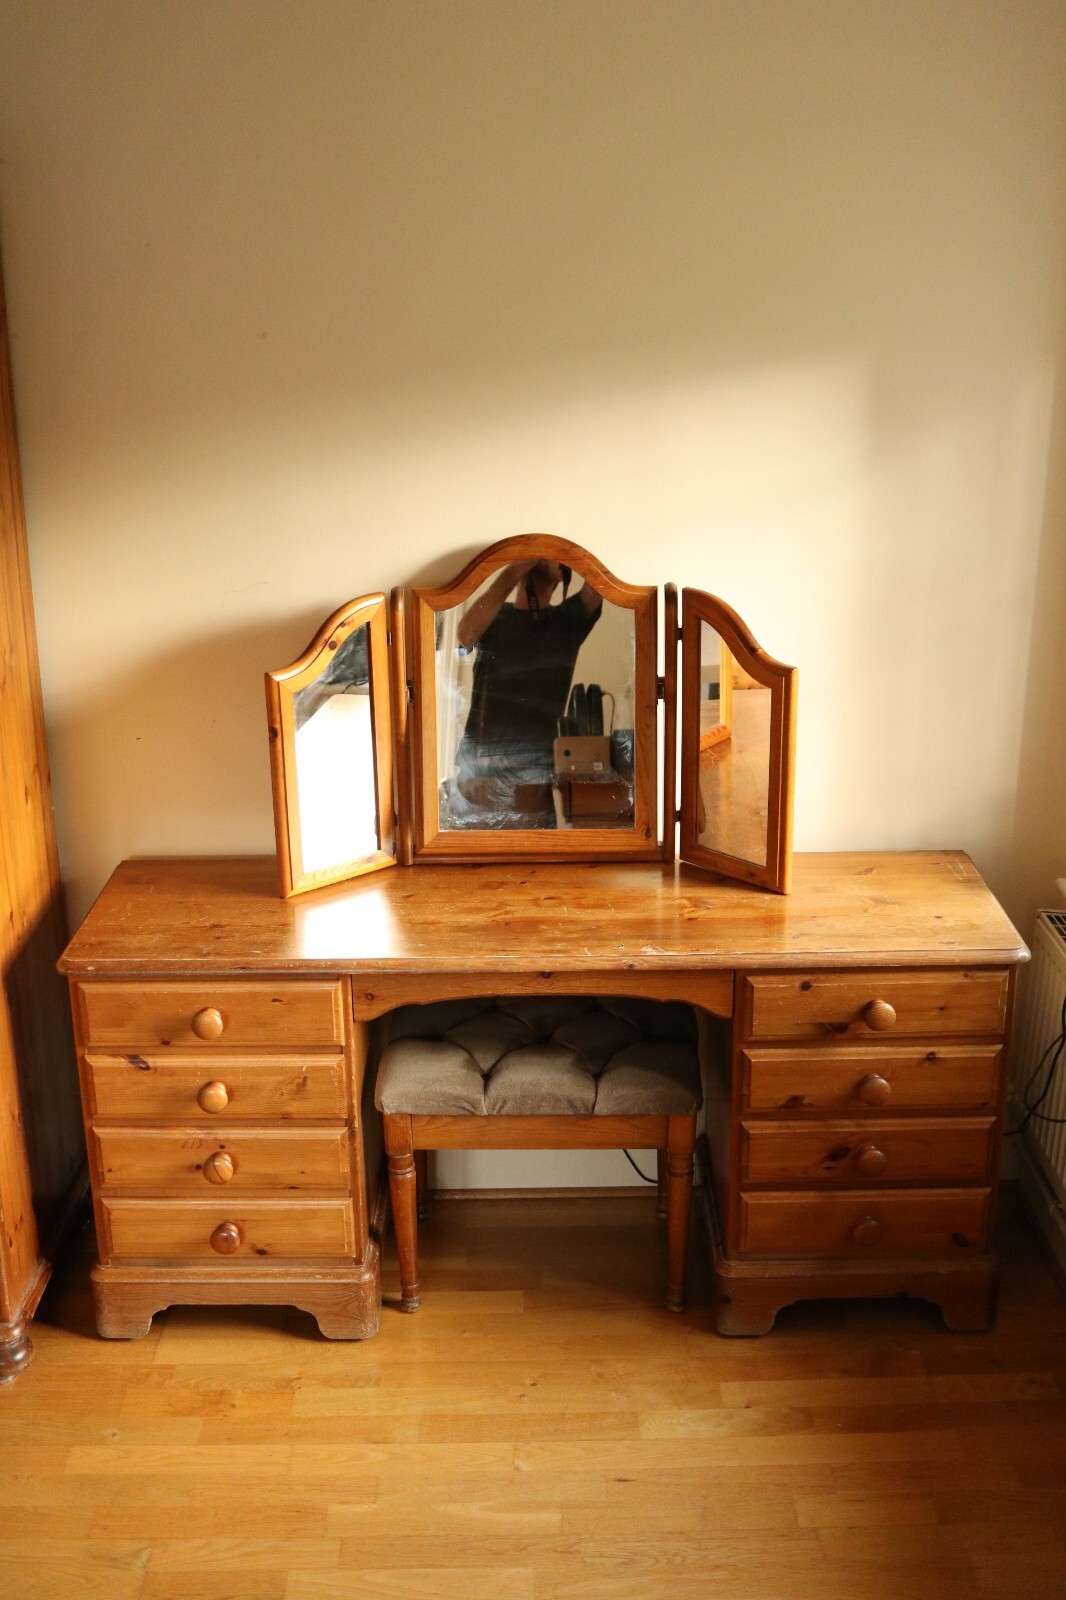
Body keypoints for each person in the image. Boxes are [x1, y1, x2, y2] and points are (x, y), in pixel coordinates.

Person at [448, 558, 602, 826]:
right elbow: (465, 635)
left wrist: (564, 550)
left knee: (531, 864)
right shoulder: (495, 617)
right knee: (467, 863)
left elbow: (601, 582)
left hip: (532, 778)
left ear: (561, 577)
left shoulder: (567, 620)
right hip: (479, 773)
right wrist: (516, 565)